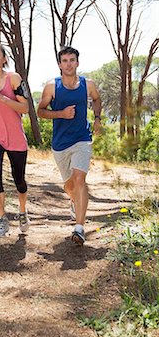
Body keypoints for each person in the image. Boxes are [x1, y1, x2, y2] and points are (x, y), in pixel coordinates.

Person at [37, 46, 102, 245]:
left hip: (82, 138)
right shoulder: (52, 87)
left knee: (79, 179)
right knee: (70, 185)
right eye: (64, 61)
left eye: (72, 60)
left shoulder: (87, 84)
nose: (69, 64)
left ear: (78, 62)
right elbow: (40, 111)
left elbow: (97, 99)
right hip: (60, 144)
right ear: (59, 64)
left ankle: (79, 228)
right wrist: (61, 114)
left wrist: (97, 117)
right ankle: (75, 200)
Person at [0, 43, 30, 237]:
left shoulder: (14, 79)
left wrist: (2, 98)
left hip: (15, 137)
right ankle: (2, 219)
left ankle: (23, 211)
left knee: (19, 180)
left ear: (4, 59)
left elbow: (25, 109)